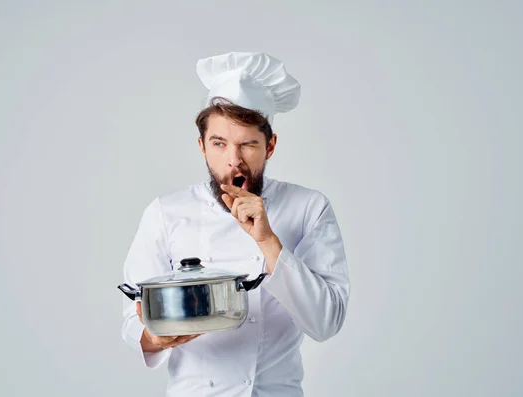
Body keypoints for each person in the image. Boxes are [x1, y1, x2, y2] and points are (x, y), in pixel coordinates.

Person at [120, 51, 351, 397]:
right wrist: (154, 336)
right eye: (219, 144)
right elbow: (132, 317)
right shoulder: (166, 213)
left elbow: (326, 322)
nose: (233, 160)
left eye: (248, 145)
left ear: (270, 146)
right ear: (201, 146)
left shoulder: (308, 208)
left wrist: (268, 241)